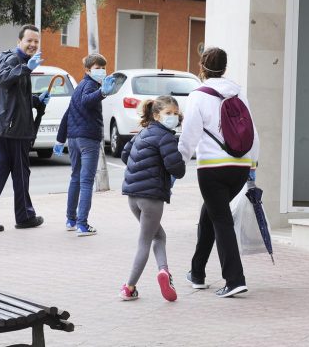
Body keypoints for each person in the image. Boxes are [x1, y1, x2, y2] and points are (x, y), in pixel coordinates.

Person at [178, 47, 259, 298]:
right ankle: (197, 272)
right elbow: (253, 132)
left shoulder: (198, 95)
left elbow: (189, 134)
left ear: (202, 66)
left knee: (221, 220)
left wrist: (178, 163)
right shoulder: (238, 93)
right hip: (240, 166)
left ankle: (234, 279)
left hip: (212, 169)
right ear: (225, 67)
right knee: (211, 214)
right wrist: (252, 166)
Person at [0, 24, 51, 232]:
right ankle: (24, 216)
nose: (33, 45)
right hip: (13, 129)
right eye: (29, 41)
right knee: (20, 173)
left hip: (3, 127)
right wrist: (27, 68)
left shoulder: (19, 61)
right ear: (19, 41)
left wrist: (36, 100)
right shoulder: (15, 60)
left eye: (36, 41)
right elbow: (3, 79)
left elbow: (15, 95)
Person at [119, 96, 186, 302]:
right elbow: (177, 169)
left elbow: (124, 154)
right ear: (157, 115)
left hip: (133, 197)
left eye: (175, 114)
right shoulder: (165, 137)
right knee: (145, 241)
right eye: (168, 113)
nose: (172, 117)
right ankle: (129, 287)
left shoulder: (144, 132)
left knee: (159, 236)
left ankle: (164, 272)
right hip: (151, 198)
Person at [53, 53, 115, 236]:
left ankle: (70, 219)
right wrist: (102, 92)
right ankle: (82, 223)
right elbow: (88, 102)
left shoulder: (80, 86)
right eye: (97, 68)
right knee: (86, 181)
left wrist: (60, 139)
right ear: (87, 70)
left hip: (73, 139)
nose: (102, 71)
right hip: (88, 138)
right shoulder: (90, 86)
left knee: (76, 178)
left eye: (103, 68)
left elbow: (67, 114)